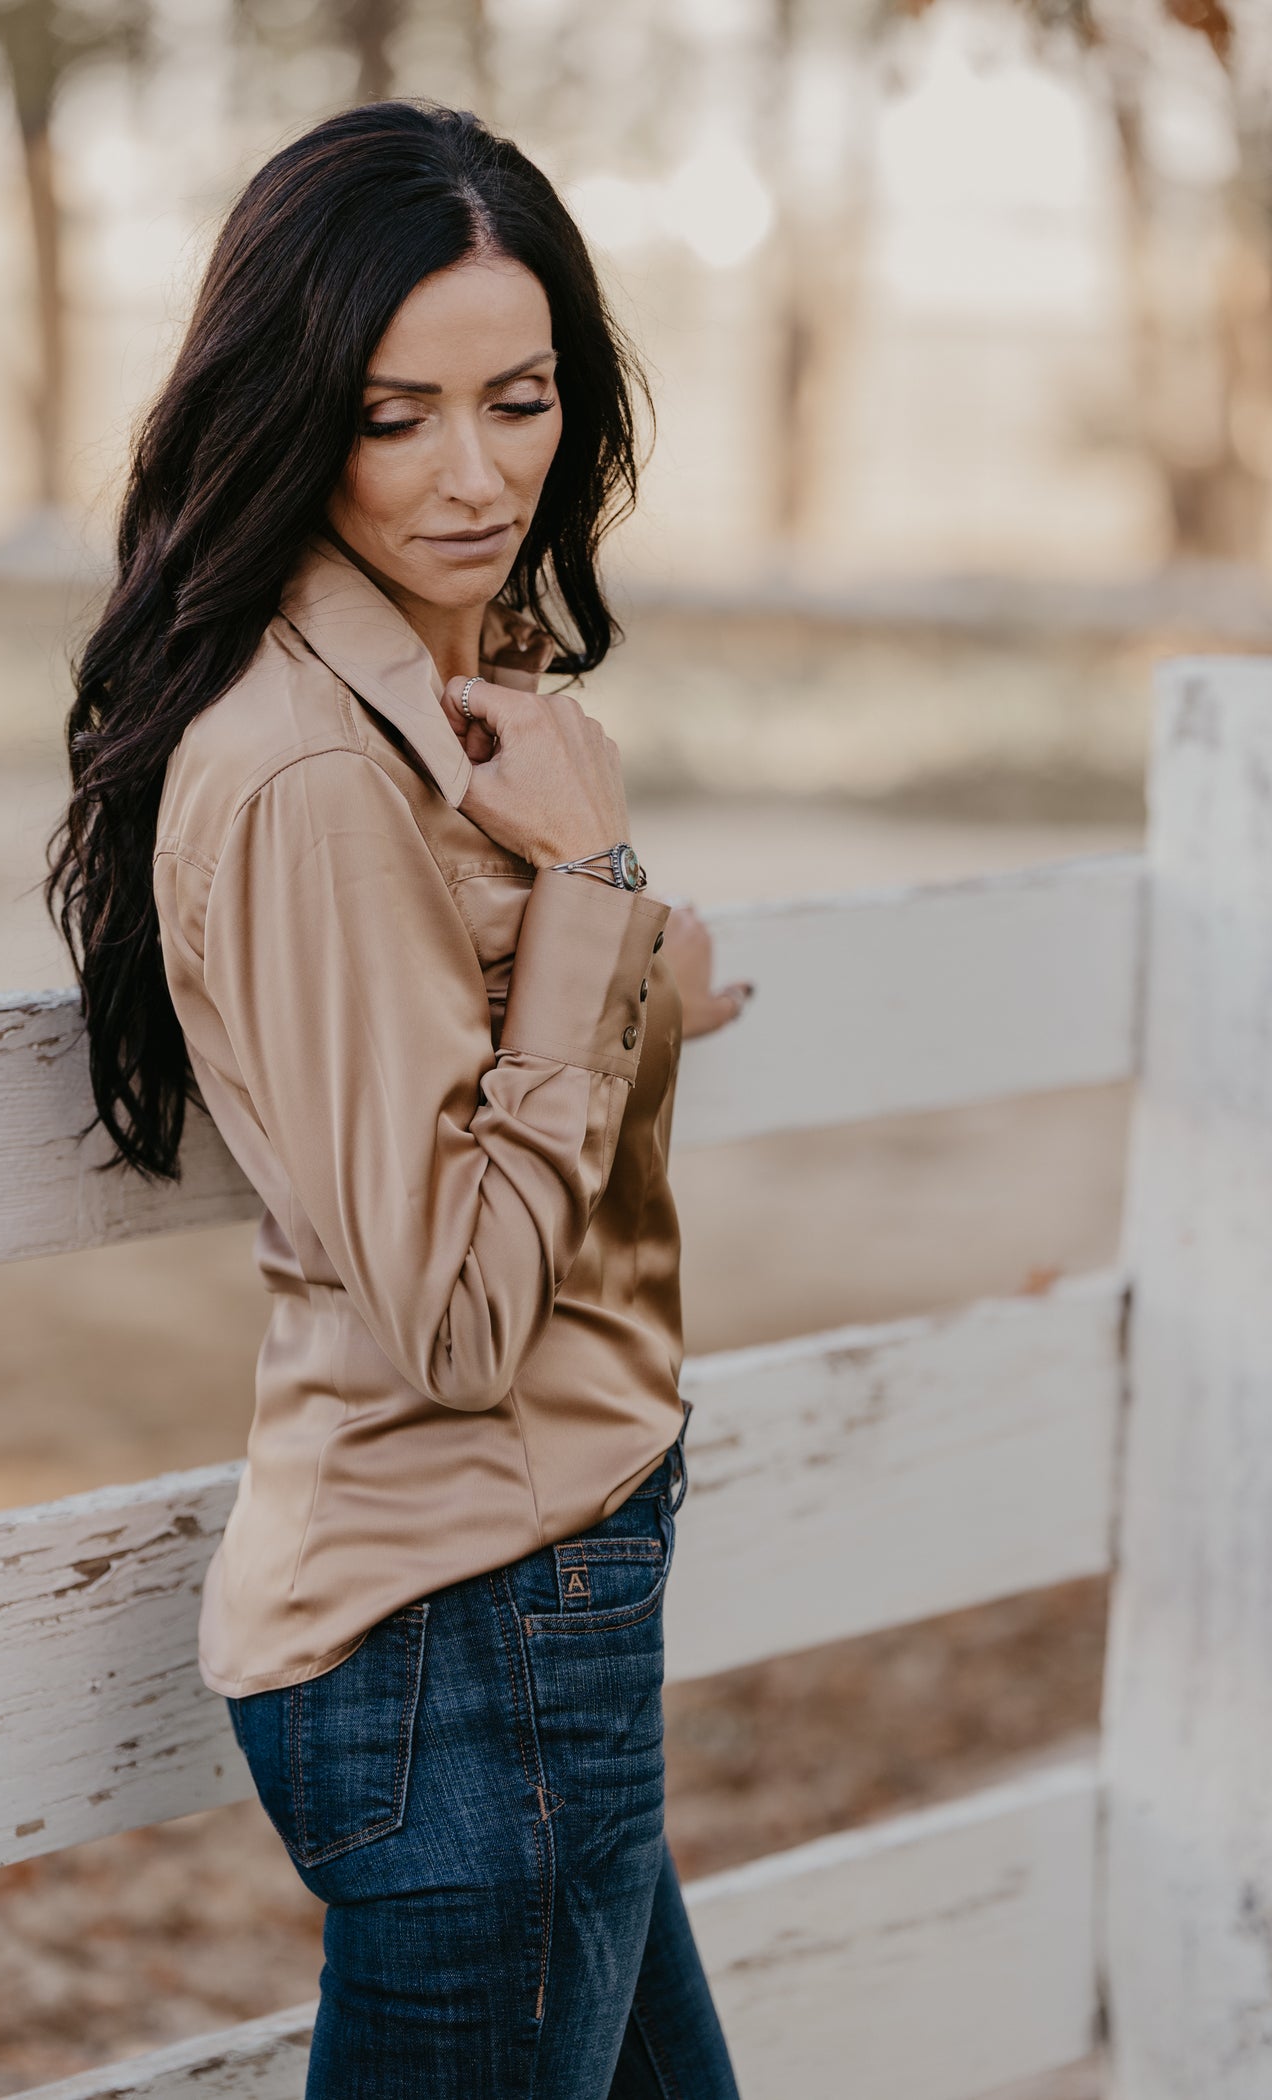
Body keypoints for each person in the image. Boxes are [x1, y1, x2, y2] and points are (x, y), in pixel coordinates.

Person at [46, 96, 751, 2098]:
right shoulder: (314, 776)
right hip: (469, 1632)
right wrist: (600, 909)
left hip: (536, 1613)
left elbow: (470, 1080)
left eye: (518, 402)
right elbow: (449, 1320)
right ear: (292, 416)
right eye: (393, 416)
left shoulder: (445, 709)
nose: (472, 475)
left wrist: (631, 978)